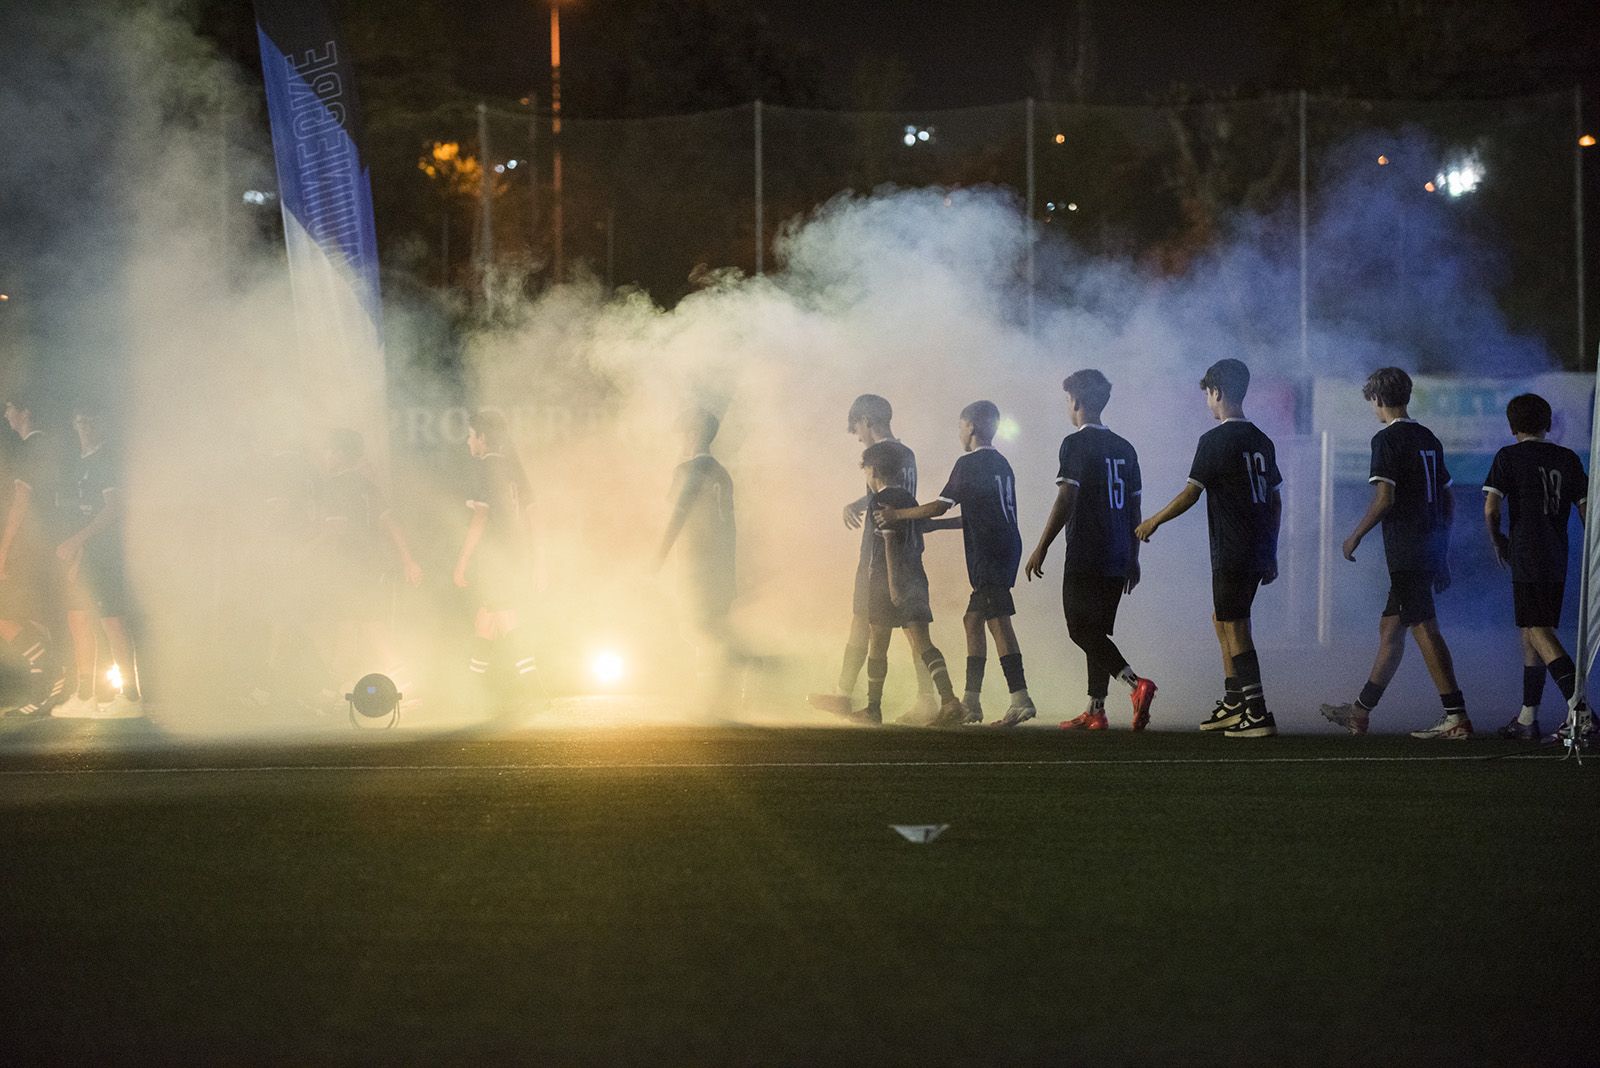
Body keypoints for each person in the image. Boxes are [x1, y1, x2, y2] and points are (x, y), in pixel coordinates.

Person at [1320, 367, 1472, 739]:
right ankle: (1359, 712)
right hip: (1428, 545)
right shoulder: (1428, 438)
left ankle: (1456, 716)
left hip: (1406, 549)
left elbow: (1385, 498)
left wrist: (1355, 535)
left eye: (1371, 401)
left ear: (1377, 399)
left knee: (1423, 626)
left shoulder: (1386, 440)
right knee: (1391, 629)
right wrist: (1443, 553)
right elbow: (1448, 500)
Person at [1135, 359, 1282, 738]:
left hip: (1232, 548)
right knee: (1222, 619)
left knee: (1236, 625)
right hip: (1255, 547)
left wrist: (1154, 520)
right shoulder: (1262, 440)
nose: (1207, 401)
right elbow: (1275, 501)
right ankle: (1235, 702)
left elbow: (1190, 494)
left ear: (1216, 392)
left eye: (1207, 394)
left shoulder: (1214, 440)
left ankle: (1257, 711)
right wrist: (1271, 550)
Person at [874, 400, 1037, 727]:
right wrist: (937, 527)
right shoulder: (1002, 463)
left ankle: (1020, 698)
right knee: (973, 620)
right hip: (1005, 545)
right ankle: (971, 702)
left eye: (961, 427)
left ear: (971, 427)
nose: (959, 433)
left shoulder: (969, 463)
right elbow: (975, 515)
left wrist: (898, 515)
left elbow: (939, 506)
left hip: (989, 551)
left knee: (998, 620)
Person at [1025, 369, 1157, 731]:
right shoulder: (1125, 448)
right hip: (1117, 554)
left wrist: (1042, 546)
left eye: (1067, 400)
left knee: (1079, 630)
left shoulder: (1075, 443)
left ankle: (1135, 683)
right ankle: (1096, 709)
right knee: (1096, 632)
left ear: (1077, 401)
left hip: (1087, 550)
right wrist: (1133, 557)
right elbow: (1135, 510)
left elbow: (1066, 496)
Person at [807, 395, 939, 722]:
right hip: (903, 546)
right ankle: (853, 694)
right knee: (886, 622)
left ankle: (921, 699)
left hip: (883, 550)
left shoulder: (884, 453)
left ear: (867, 420)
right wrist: (859, 502)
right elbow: (890, 495)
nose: (858, 437)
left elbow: (889, 498)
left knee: (898, 626)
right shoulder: (905, 453)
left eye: (857, 429)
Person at [1481, 393, 1594, 743]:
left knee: (1537, 630)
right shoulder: (1567, 457)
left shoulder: (1508, 457)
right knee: (1530, 630)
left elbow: (1491, 509)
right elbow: (1586, 509)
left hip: (1527, 552)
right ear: (1548, 424)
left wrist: (1498, 540)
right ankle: (1528, 718)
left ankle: (1581, 711)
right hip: (1557, 553)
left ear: (1512, 426)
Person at [831, 440, 964, 726]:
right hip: (916, 576)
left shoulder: (882, 502)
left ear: (874, 470)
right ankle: (950, 699)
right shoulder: (907, 500)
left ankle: (873, 708)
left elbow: (890, 541)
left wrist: (893, 586)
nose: (865, 474)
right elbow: (921, 525)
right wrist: (957, 523)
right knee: (923, 643)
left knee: (878, 643)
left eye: (865, 469)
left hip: (886, 581)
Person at [656, 410, 754, 716]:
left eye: (686, 432)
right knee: (709, 626)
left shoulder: (688, 469)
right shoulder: (722, 473)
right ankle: (717, 697)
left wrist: (658, 556)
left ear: (696, 433)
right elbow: (730, 524)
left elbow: (679, 514)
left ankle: (745, 660)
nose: (683, 439)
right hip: (722, 563)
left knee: (700, 626)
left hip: (697, 563)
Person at [313, 428, 422, 698]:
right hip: (371, 567)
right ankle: (354, 685)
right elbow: (390, 524)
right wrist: (409, 560)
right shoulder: (367, 485)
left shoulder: (335, 485)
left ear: (338, 454)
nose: (324, 456)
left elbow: (334, 531)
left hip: (349, 568)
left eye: (327, 450)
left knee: (352, 624)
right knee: (362, 623)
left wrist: (303, 553)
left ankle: (337, 689)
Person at [53, 402, 144, 718]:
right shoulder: (80, 463)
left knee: (111, 620)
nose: (86, 427)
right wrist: (76, 549)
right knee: (77, 618)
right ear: (73, 424)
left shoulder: (106, 459)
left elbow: (112, 509)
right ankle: (85, 694)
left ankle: (130, 697)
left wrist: (77, 541)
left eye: (92, 421)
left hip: (106, 552)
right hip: (87, 554)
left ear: (101, 425)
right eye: (81, 421)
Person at [453, 408, 539, 702]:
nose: (468, 442)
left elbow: (480, 518)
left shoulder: (485, 467)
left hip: (495, 557)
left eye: (470, 436)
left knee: (505, 617)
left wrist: (463, 560)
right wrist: (535, 557)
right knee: (486, 620)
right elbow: (528, 516)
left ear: (483, 438)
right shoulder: (514, 468)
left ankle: (533, 689)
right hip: (513, 554)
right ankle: (472, 691)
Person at [0, 392, 67, 718]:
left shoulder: (30, 447)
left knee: (7, 615)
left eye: (10, 408)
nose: (6, 414)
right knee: (35, 616)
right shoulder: (47, 448)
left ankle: (46, 683)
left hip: (29, 546)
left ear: (26, 411)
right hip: (44, 546)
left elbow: (22, 502)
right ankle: (48, 689)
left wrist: (4, 549)